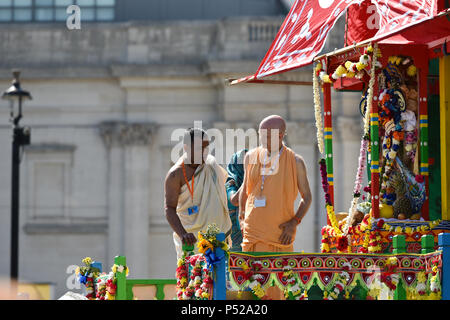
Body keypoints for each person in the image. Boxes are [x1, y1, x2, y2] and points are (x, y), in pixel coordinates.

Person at [239, 115, 312, 299]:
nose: (263, 139)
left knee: (276, 291)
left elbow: (307, 197)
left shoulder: (295, 161)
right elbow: (244, 190)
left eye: (267, 135)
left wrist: (294, 222)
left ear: (280, 135)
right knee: (249, 290)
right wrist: (241, 217)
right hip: (252, 236)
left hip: (280, 237)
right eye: (261, 134)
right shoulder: (251, 157)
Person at [164, 128, 232, 259]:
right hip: (192, 240)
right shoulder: (175, 174)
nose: (204, 152)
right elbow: (169, 208)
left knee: (222, 278)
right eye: (200, 148)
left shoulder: (211, 165)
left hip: (218, 238)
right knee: (193, 277)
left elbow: (227, 188)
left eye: (206, 147)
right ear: (186, 148)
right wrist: (183, 234)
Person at [225, 149, 248, 252]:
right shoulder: (231, 182)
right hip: (234, 241)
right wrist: (249, 179)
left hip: (254, 236)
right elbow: (234, 200)